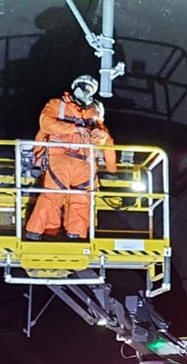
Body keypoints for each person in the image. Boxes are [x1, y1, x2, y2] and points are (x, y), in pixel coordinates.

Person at [24, 75, 118, 241]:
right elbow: (45, 123)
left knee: (81, 200)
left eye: (90, 89)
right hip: (60, 157)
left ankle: (76, 235)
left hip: (85, 163)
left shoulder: (94, 114)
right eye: (85, 87)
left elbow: (107, 142)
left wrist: (111, 169)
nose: (86, 92)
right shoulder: (56, 104)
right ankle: (36, 231)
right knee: (52, 196)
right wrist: (73, 129)